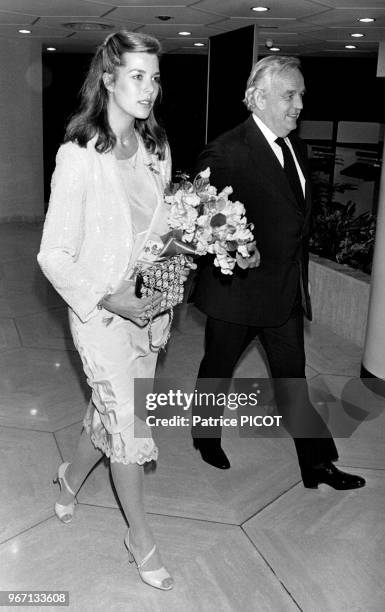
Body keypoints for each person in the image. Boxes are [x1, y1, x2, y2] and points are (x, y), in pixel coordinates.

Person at [38, 30, 189, 591]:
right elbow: (52, 253)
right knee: (129, 421)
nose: (149, 88)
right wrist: (108, 295)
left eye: (154, 77)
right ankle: (140, 538)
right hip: (101, 317)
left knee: (110, 412)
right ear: (108, 79)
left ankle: (70, 481)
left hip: (149, 311)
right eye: (137, 76)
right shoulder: (79, 155)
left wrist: (184, 250)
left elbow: (160, 229)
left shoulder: (157, 148)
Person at [190, 55, 365, 491]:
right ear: (259, 98)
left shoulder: (296, 147)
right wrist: (233, 245)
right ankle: (204, 435)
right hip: (238, 293)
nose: (299, 104)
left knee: (292, 381)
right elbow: (197, 218)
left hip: (284, 292)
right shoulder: (227, 150)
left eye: (301, 94)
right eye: (290, 95)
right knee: (218, 368)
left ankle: (317, 466)